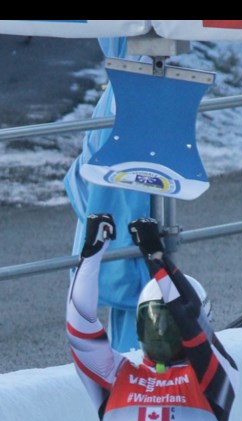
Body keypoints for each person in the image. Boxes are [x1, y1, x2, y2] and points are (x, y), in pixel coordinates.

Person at [0, 215, 238, 421]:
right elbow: (79, 325)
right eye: (153, 321)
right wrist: (92, 253)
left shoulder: (218, 380)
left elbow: (189, 315)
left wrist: (156, 257)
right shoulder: (117, 375)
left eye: (169, 324)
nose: (161, 332)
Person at [63, 37, 152, 353]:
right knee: (135, 324)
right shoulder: (133, 87)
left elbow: (92, 170)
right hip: (126, 234)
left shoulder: (123, 89)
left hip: (115, 230)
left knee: (97, 330)